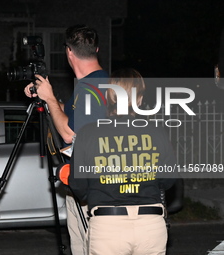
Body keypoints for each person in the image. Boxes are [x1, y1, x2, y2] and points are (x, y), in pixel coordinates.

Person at [68, 68, 176, 255]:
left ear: (109, 96)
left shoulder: (89, 133)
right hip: (150, 226)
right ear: (140, 99)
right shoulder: (157, 132)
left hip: (108, 227)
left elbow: (78, 187)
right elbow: (168, 180)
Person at [24, 24, 109, 255]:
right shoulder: (91, 84)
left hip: (92, 187)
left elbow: (70, 134)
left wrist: (50, 99)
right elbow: (71, 117)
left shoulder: (94, 86)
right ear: (96, 49)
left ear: (69, 52)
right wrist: (47, 98)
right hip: (81, 181)